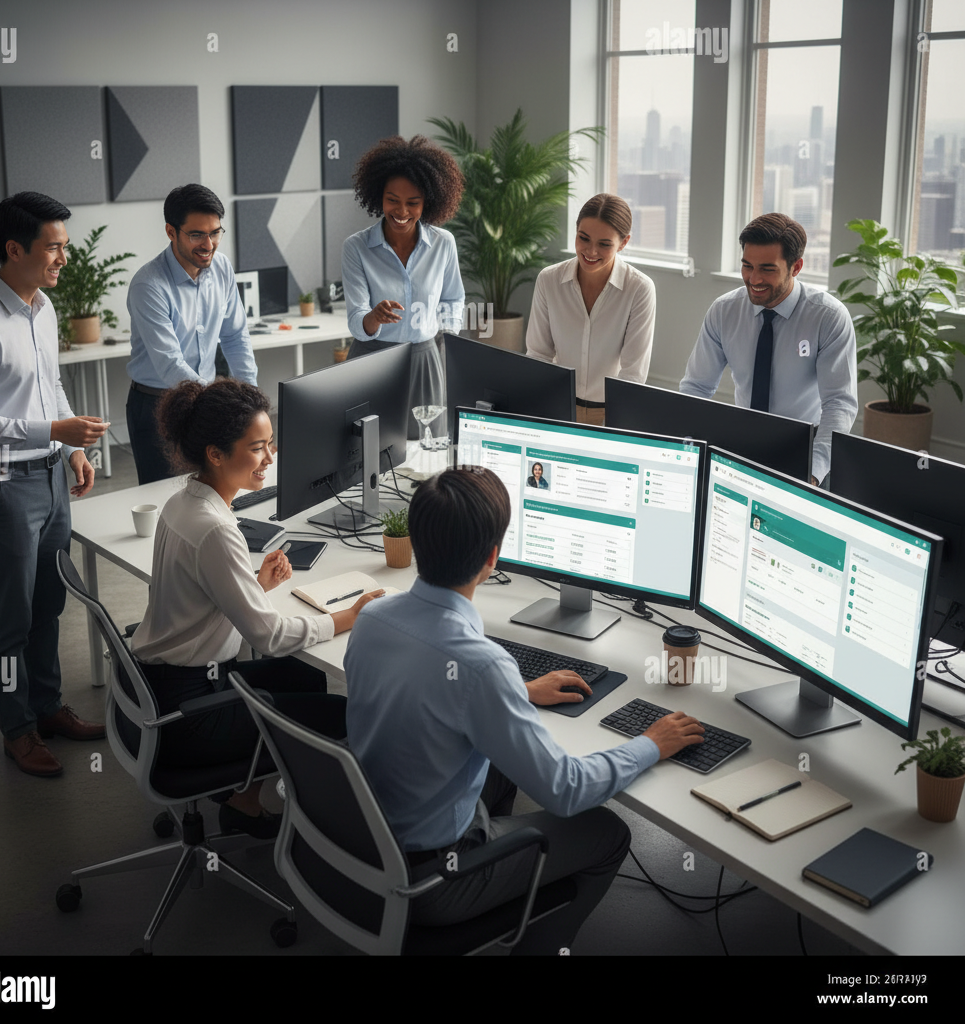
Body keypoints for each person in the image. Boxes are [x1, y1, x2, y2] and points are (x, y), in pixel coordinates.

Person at [344, 467, 705, 954]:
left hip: (366, 839)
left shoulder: (372, 618)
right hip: (433, 879)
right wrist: (650, 744)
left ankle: (500, 873)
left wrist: (517, 691)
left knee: (501, 762)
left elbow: (426, 690)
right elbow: (566, 791)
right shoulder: (480, 666)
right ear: (492, 558)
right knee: (607, 831)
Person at [128, 379, 382, 837]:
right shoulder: (215, 529)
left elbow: (200, 603)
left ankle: (243, 800)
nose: (270, 458)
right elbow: (267, 636)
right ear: (216, 454)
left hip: (160, 683)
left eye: (271, 445)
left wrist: (254, 585)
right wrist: (349, 617)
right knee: (343, 716)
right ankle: (332, 833)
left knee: (301, 675)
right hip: (189, 713)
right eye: (258, 448)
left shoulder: (182, 502)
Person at [0, 192, 108, 777]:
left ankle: (47, 707)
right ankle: (17, 729)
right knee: (10, 614)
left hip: (49, 477)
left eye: (65, 245)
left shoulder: (43, 309)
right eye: (54, 247)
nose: (65, 257)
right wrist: (52, 429)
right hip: (3, 485)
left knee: (49, 603)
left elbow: (51, 387)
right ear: (15, 249)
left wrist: (67, 448)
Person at [679, 213, 857, 486]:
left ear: (796, 267)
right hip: (740, 445)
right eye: (747, 266)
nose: (754, 278)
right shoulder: (724, 311)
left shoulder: (828, 317)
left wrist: (812, 473)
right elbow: (697, 388)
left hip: (805, 451)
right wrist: (689, 450)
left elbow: (838, 404)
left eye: (767, 269)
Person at [126, 183, 258, 484]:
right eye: (197, 234)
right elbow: (170, 364)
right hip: (157, 404)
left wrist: (252, 402)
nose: (208, 244)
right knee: (164, 496)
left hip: (206, 400)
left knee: (211, 490)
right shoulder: (149, 285)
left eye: (215, 232)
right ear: (171, 232)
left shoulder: (222, 268)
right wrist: (220, 404)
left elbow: (236, 336)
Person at [341, 135, 465, 437]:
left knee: (425, 448)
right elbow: (357, 319)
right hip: (371, 360)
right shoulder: (356, 247)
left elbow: (453, 300)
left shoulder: (443, 243)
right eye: (392, 200)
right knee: (366, 451)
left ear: (429, 202)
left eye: (413, 203)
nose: (401, 211)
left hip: (424, 361)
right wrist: (375, 317)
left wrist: (441, 339)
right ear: (378, 196)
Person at [526, 194, 655, 426]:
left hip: (611, 414)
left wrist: (613, 428)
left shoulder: (639, 289)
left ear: (623, 243)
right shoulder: (549, 280)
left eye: (604, 244)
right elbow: (538, 356)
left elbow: (633, 375)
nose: (591, 251)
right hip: (556, 409)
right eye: (583, 238)